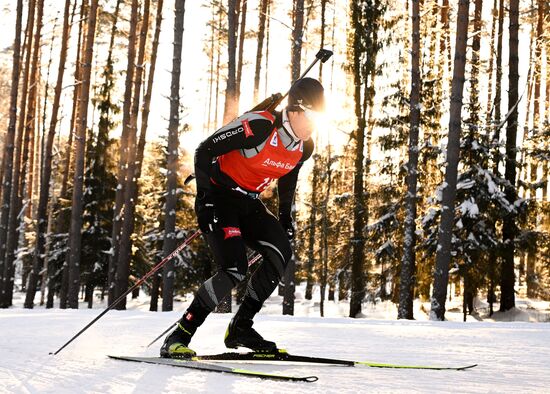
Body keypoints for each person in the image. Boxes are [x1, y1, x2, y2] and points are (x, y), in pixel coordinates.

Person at [160, 77, 325, 358]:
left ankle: (240, 328)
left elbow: (288, 179)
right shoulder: (260, 126)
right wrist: (206, 202)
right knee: (234, 268)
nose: (313, 126)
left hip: (249, 202)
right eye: (310, 117)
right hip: (219, 197)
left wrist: (285, 217)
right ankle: (179, 336)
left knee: (280, 253)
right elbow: (205, 150)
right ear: (295, 110)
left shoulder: (304, 147)